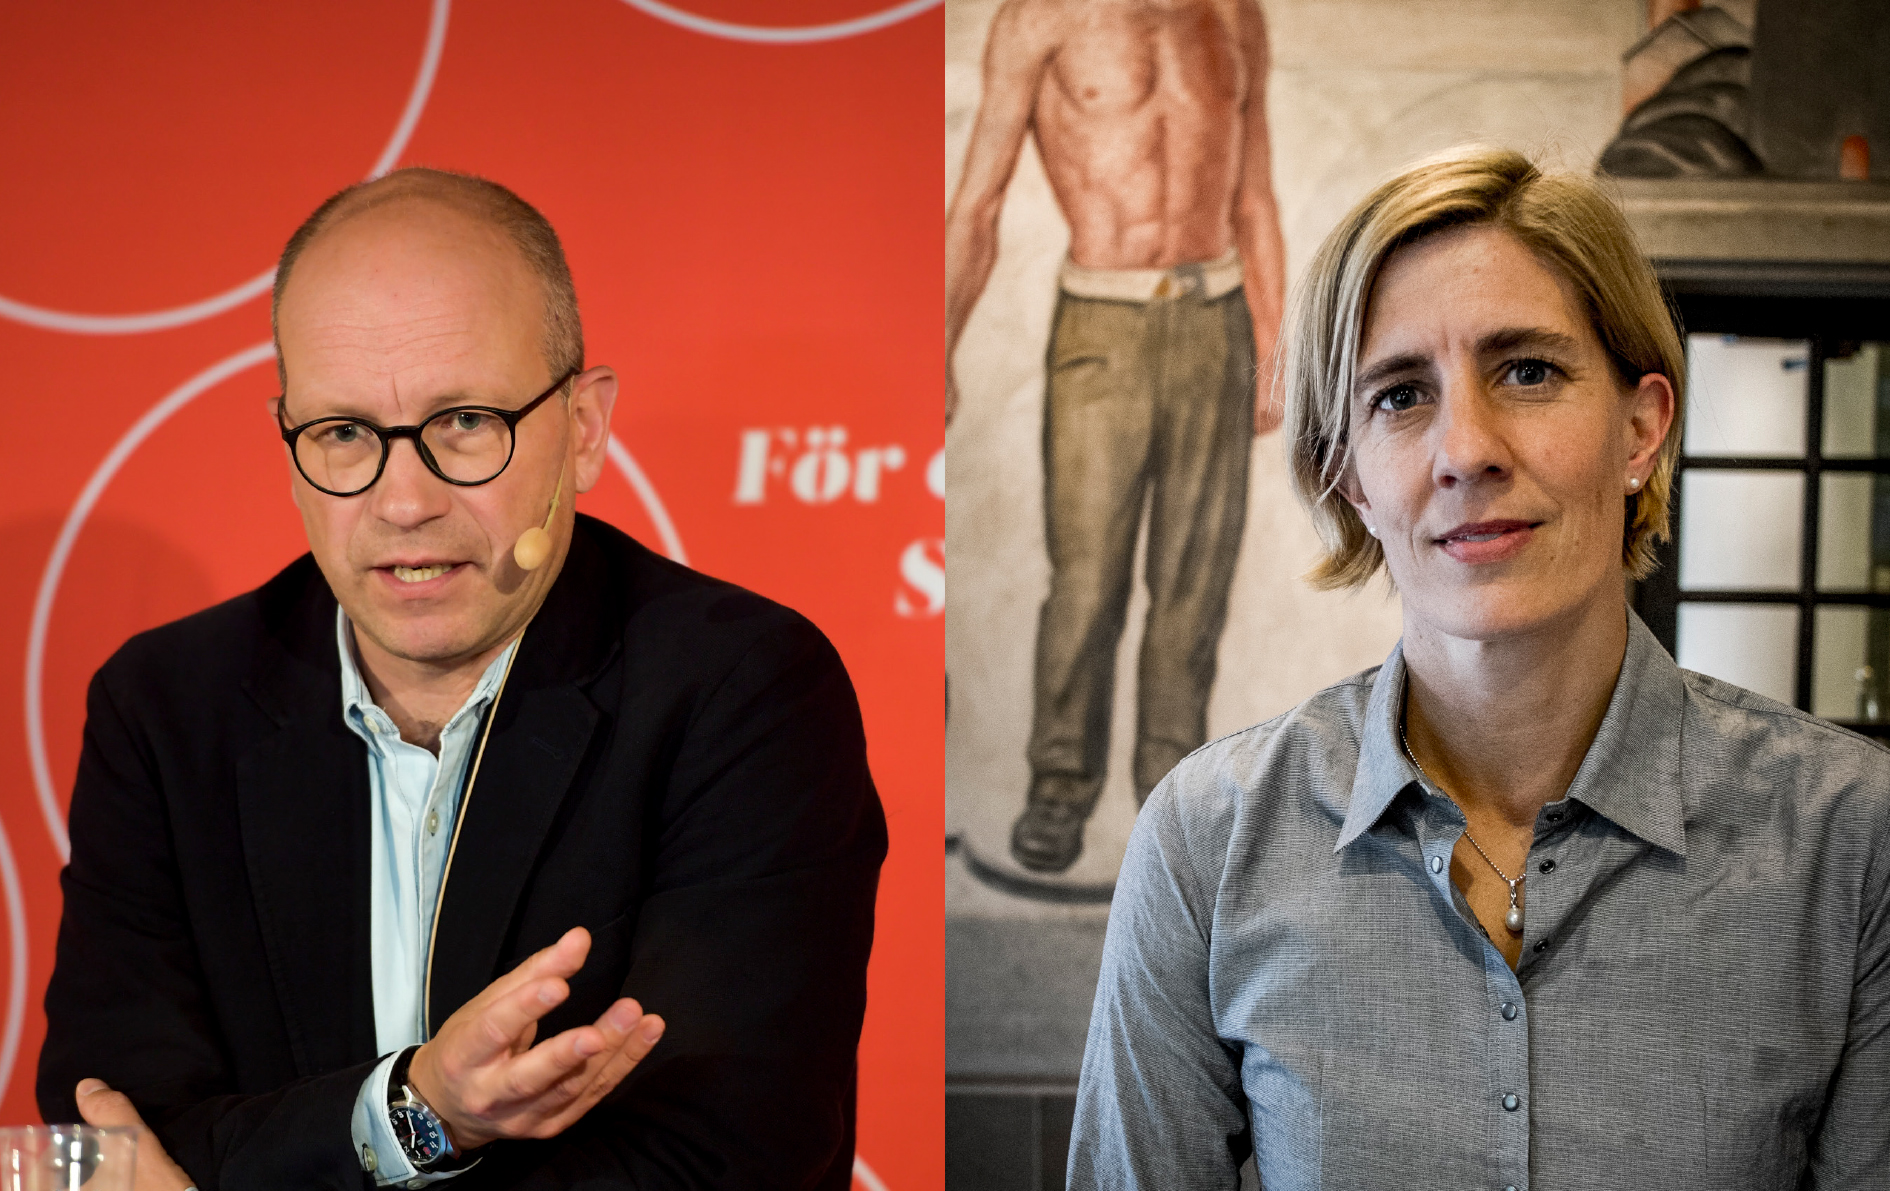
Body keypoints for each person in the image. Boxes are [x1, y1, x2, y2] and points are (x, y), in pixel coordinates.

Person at [36, 169, 886, 1190]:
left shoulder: (744, 690)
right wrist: (417, 1113)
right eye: (343, 434)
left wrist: (305, 1151)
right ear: (288, 442)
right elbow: (107, 1145)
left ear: (584, 428)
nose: (404, 500)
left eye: (467, 422)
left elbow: (725, 1159)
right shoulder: (165, 708)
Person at [1070, 146, 1890, 1188]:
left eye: (1528, 371)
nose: (1467, 449)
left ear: (1641, 428)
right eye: (1400, 395)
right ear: (1349, 477)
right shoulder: (1211, 842)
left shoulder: (1850, 843)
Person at [944, 0, 1288, 873]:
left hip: (1214, 318)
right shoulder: (1041, 20)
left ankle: (1177, 793)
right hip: (1101, 324)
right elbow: (978, 203)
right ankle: (1059, 788)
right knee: (1087, 577)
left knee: (1193, 581)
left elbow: (1253, 195)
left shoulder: (1232, 13)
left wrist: (1273, 345)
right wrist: (935, 348)